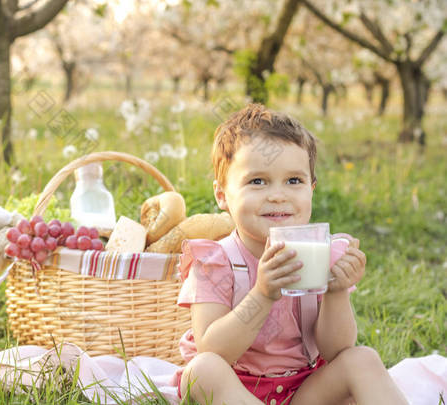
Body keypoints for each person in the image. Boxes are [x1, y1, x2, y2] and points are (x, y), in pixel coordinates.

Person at [174, 104, 408, 405]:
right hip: (238, 389)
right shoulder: (214, 261)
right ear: (222, 195)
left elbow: (335, 351)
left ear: (311, 189)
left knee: (362, 359)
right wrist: (262, 294)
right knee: (202, 369)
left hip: (306, 388)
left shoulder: (324, 253)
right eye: (257, 181)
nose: (277, 195)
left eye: (294, 181)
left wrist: (337, 292)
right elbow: (213, 349)